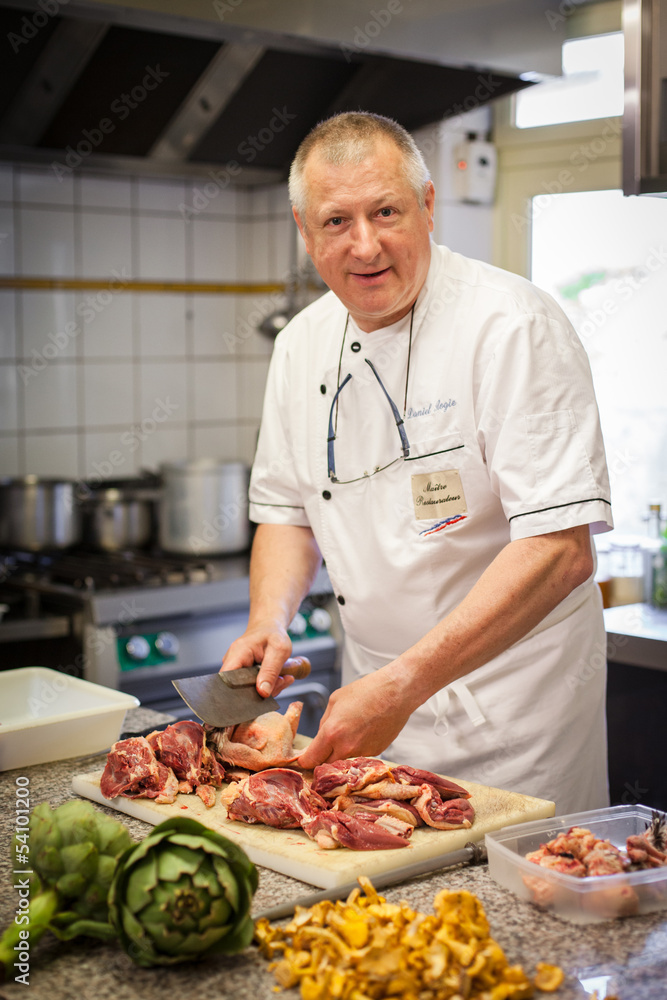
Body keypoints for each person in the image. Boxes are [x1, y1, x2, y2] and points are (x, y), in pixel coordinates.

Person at [222, 111, 613, 814]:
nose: (365, 245)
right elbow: (288, 512)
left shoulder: (512, 325)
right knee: (378, 881)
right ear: (304, 231)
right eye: (336, 222)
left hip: (515, 719)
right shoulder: (300, 344)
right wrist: (267, 619)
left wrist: (407, 683)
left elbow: (561, 551)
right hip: (370, 710)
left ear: (427, 206)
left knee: (515, 884)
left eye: (385, 212)